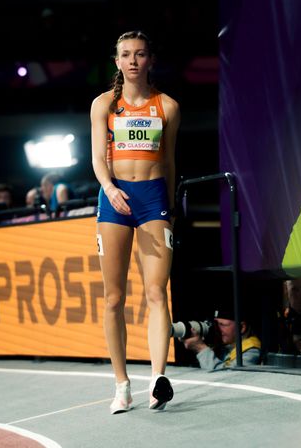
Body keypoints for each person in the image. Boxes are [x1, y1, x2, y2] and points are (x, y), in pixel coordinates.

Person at [90, 30, 180, 414]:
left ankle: (158, 378)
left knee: (157, 292)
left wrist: (170, 207)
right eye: (125, 54)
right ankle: (121, 384)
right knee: (113, 298)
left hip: (153, 201)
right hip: (114, 201)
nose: (132, 61)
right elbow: (97, 158)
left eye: (139, 54)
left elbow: (170, 162)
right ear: (117, 62)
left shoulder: (168, 107)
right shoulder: (103, 105)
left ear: (150, 60)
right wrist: (109, 188)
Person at [181, 308, 261, 371]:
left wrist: (201, 348)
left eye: (222, 325)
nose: (217, 329)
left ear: (242, 328)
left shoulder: (252, 352)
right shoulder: (225, 346)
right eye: (215, 324)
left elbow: (226, 378)